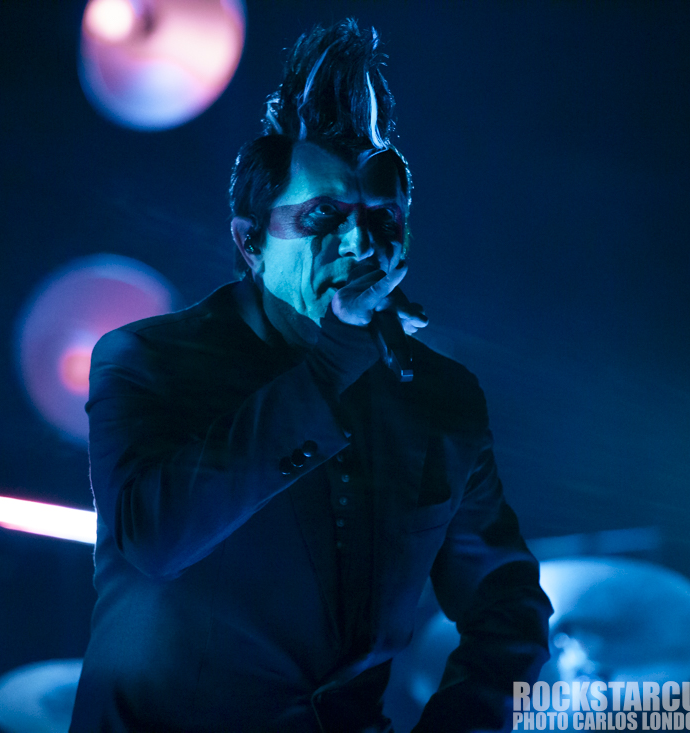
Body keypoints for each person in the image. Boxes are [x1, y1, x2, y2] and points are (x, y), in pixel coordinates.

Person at [70, 20, 551, 733]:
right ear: (252, 241)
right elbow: (155, 538)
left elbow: (508, 606)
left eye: (380, 217)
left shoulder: (440, 401)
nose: (358, 241)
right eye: (322, 215)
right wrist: (336, 356)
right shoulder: (148, 360)